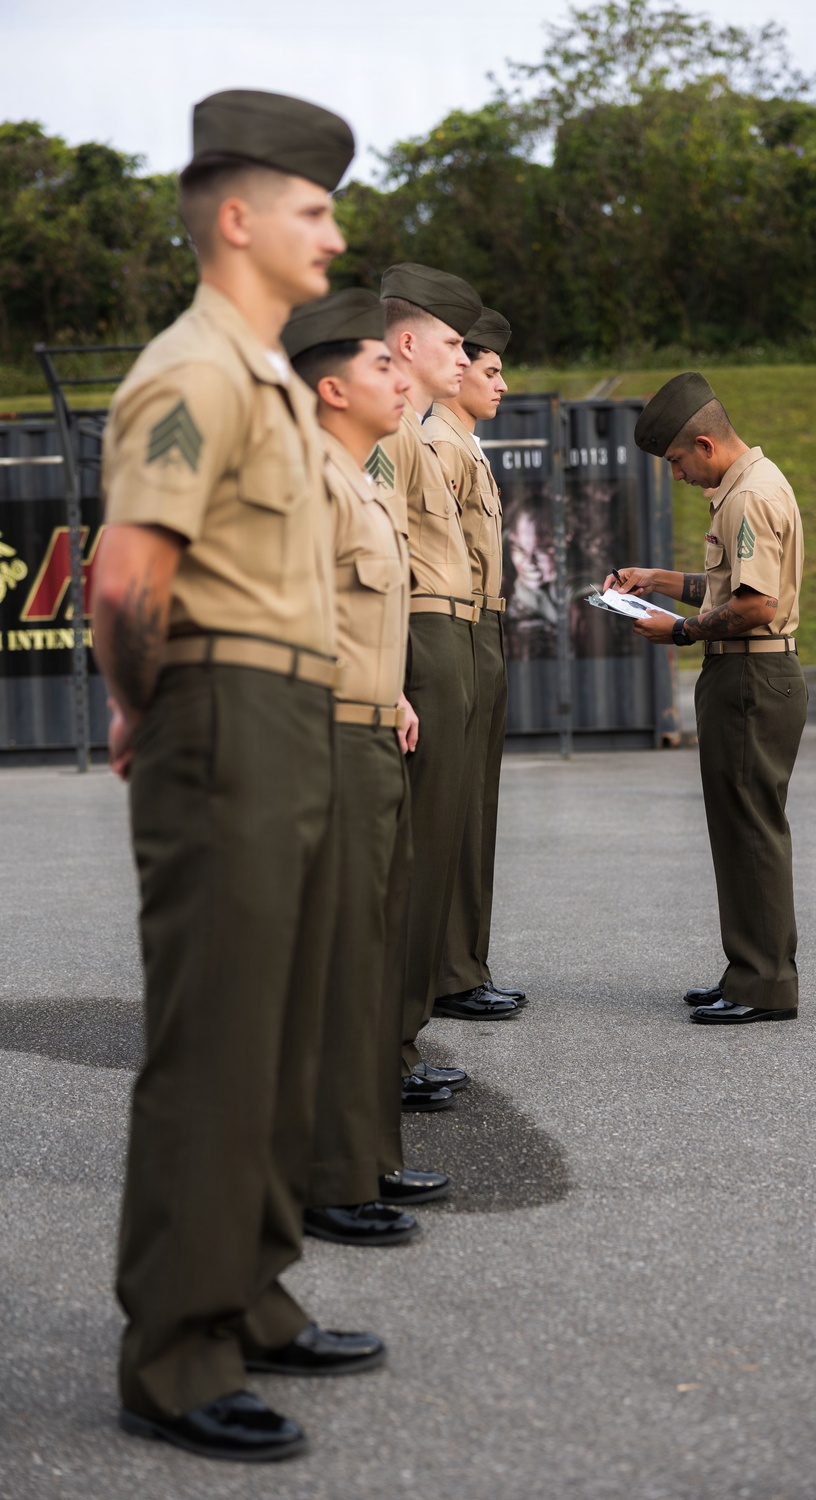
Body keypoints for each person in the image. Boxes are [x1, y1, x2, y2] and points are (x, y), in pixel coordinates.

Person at [92, 90, 383, 1464]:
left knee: (277, 1029)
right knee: (216, 1043)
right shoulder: (193, 371)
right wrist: (155, 714)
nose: (333, 237)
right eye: (316, 211)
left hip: (288, 717)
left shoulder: (261, 372)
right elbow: (126, 578)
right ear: (238, 218)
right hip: (226, 719)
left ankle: (252, 1292)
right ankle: (175, 1350)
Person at [282, 288, 450, 1249]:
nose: (404, 376)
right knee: (338, 970)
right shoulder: (310, 483)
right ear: (334, 387)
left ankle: (364, 1156)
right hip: (327, 747)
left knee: (371, 961)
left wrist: (389, 692)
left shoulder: (359, 479)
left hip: (371, 734)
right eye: (383, 366)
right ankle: (328, 1176)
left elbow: (350, 620)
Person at [604, 371, 806, 1025]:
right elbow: (729, 587)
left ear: (703, 443)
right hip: (747, 676)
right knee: (742, 828)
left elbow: (755, 606)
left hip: (750, 677)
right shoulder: (751, 484)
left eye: (675, 461)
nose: (678, 475)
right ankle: (749, 971)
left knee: (751, 831)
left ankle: (763, 983)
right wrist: (658, 580)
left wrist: (679, 631)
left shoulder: (747, 498)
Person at [375, 263, 519, 1112]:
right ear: (408, 344)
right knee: (417, 851)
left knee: (441, 839)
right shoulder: (409, 434)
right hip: (432, 631)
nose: (468, 361)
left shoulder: (425, 434)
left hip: (456, 626)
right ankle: (387, 1044)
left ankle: (399, 1036)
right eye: (457, 344)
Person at [423, 308, 527, 1017]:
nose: (501, 384)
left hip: (482, 626)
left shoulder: (465, 445)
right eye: (489, 369)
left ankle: (467, 961)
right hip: (457, 627)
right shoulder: (439, 444)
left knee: (476, 808)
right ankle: (450, 971)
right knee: (453, 811)